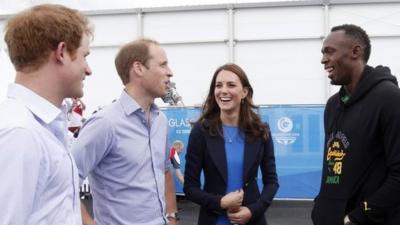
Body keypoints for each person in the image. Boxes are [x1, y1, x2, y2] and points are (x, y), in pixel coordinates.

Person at [0, 4, 92, 225]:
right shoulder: (20, 133)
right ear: (61, 53)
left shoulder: (42, 127)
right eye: (84, 56)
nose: (88, 69)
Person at [71, 38, 179, 225]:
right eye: (163, 65)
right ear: (138, 68)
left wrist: (172, 216)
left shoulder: (160, 120)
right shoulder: (104, 123)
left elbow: (165, 170)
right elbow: (65, 181)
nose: (170, 72)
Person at [312, 24, 400, 225]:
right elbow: (332, 167)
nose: (323, 59)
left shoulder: (389, 98)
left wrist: (357, 216)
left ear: (355, 52)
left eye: (329, 51)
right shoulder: (333, 105)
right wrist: (321, 206)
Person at [184, 63, 279, 225]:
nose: (223, 90)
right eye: (218, 85)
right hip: (213, 220)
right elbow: (190, 188)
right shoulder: (201, 131)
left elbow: (271, 182)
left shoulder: (260, 131)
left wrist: (253, 210)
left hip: (252, 220)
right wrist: (220, 202)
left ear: (244, 92)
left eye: (231, 85)